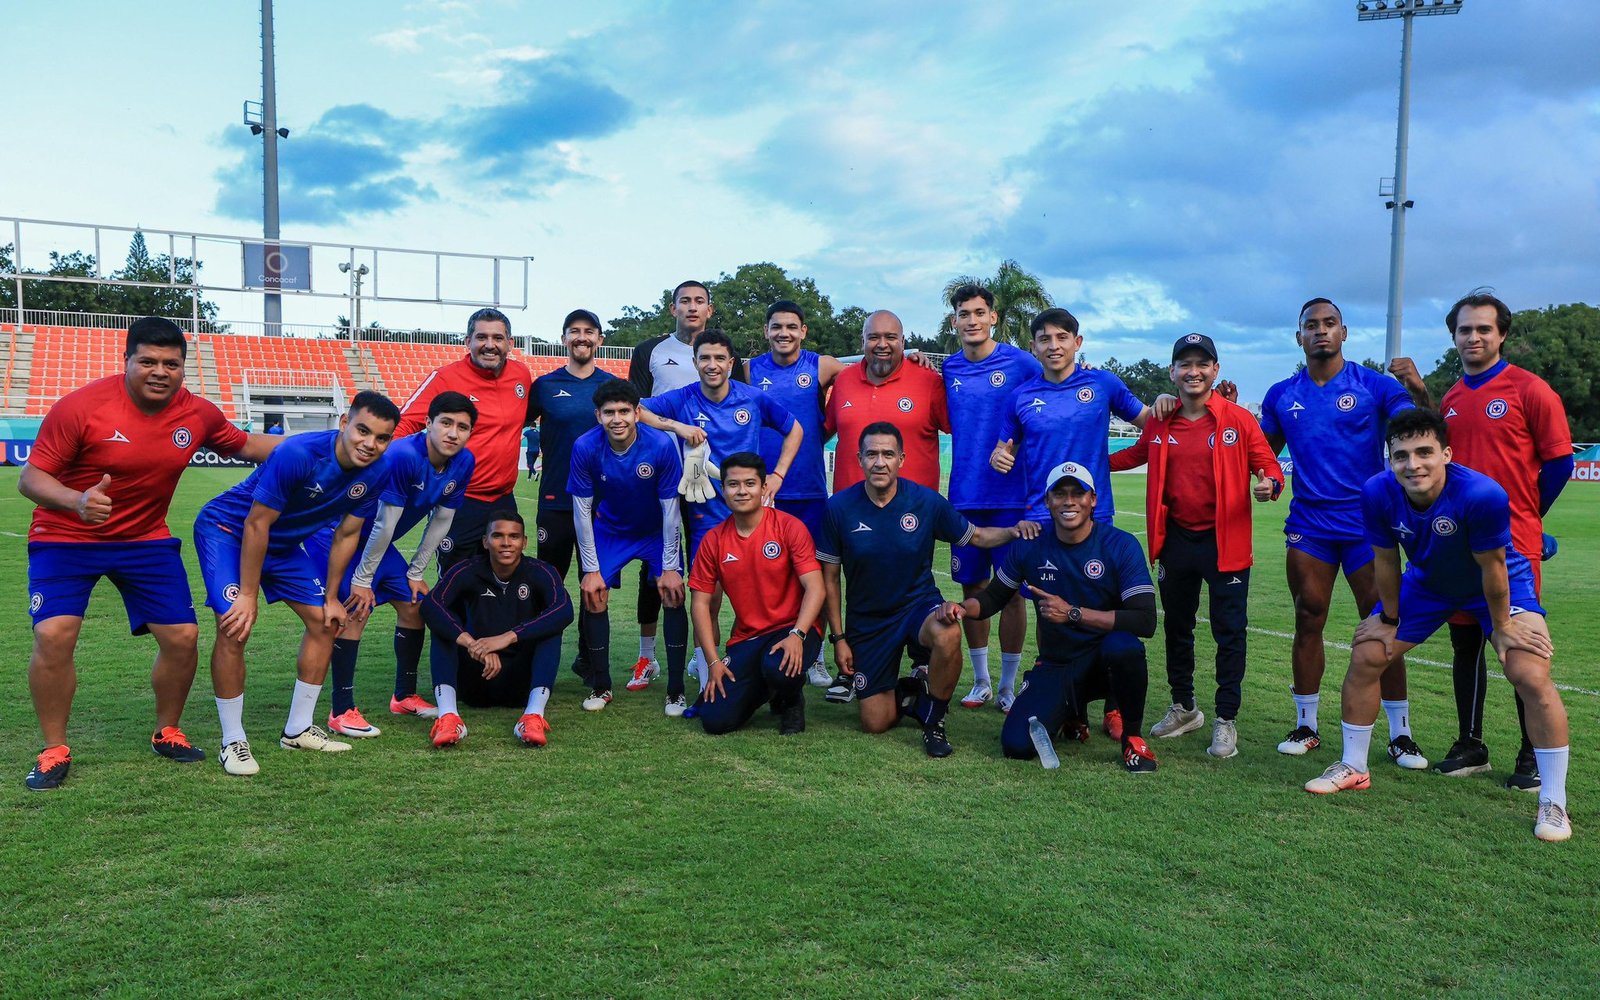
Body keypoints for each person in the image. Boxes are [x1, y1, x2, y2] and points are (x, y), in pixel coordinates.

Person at [19, 317, 282, 790]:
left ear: (183, 368)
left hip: (144, 539)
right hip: (66, 536)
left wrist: (332, 445)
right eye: (148, 361)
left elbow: (247, 445)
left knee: (183, 637)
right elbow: (31, 479)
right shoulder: (81, 407)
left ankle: (168, 730)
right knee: (55, 634)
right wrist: (76, 501)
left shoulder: (197, 413)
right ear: (127, 361)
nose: (159, 371)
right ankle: (54, 747)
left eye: (171, 364)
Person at [1304, 408, 1572, 842]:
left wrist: (1503, 626)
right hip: (1429, 585)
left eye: (1425, 452)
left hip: (1499, 586)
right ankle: (1354, 767)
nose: (1413, 464)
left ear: (1446, 453)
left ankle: (1553, 801)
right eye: (1401, 455)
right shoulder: (1376, 492)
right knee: (1369, 653)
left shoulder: (1481, 494)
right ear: (1389, 459)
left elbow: (1494, 569)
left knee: (1529, 672)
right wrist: (1389, 619)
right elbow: (1387, 560)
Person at [1392, 292, 1573, 789]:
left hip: (1510, 548)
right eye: (1465, 330)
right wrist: (1419, 391)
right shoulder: (1451, 397)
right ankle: (1471, 743)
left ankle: (1531, 752)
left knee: (1519, 649)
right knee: (1465, 640)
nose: (1474, 338)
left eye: (1483, 330)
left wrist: (1530, 519)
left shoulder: (1529, 390)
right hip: (1458, 547)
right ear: (1454, 337)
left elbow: (1559, 462)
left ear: (1502, 335)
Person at [1259, 298, 1428, 767]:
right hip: (1309, 526)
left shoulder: (1373, 385)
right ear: (1299, 337)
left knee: (1382, 623)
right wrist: (1269, 478)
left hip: (1365, 526)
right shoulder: (1281, 394)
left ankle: (1401, 734)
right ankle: (1307, 725)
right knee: (1308, 616)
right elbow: (1263, 453)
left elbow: (1420, 428)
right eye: (1310, 326)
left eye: (1328, 324)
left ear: (1344, 332)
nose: (1320, 332)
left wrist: (1417, 388)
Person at [194, 391, 400, 775]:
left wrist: (335, 595)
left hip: (282, 542)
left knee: (326, 621)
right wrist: (249, 596)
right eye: (363, 431)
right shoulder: (298, 454)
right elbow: (256, 524)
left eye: (382, 437)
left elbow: (346, 535)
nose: (370, 444)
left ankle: (298, 729)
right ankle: (232, 739)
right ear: (344, 423)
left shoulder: (378, 470)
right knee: (235, 626)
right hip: (229, 531)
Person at [816, 422, 1036, 758]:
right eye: (871, 454)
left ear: (901, 459)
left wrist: (1013, 531)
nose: (879, 462)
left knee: (947, 631)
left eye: (888, 454)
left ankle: (934, 720)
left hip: (917, 608)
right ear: (859, 458)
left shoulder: (924, 502)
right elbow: (829, 579)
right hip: (869, 621)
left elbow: (976, 536)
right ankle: (913, 689)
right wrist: (839, 638)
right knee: (875, 722)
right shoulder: (838, 508)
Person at [1110, 334, 1282, 759]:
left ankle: (1225, 720)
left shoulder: (1238, 419)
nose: (1193, 371)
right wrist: (1075, 454)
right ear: (1173, 372)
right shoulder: (1160, 420)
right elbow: (1132, 455)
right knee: (1177, 627)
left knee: (1229, 632)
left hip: (1225, 543)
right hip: (1176, 541)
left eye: (1202, 364)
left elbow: (1269, 464)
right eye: (1184, 364)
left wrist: (1270, 484)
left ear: (1215, 371)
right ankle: (1185, 708)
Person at [988, 306, 1163, 725]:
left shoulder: (1102, 383)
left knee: (1102, 601)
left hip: (1094, 513)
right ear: (1034, 347)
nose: (1054, 345)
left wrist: (1166, 405)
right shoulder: (1021, 396)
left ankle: (1115, 705)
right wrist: (1000, 455)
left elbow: (1150, 425)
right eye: (1045, 339)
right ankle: (1071, 700)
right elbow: (1005, 448)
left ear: (1077, 343)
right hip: (1040, 517)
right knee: (1048, 608)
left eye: (1062, 337)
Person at [956, 462, 1159, 773]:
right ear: (1047, 501)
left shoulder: (1121, 545)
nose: (1069, 501)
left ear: (1093, 499)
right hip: (1058, 664)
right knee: (1016, 745)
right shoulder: (1031, 547)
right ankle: (1070, 712)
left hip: (1105, 663)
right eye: (1060, 493)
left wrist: (1073, 613)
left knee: (1125, 647)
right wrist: (958, 608)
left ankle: (1133, 738)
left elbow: (1145, 621)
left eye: (1078, 493)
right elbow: (992, 599)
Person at [641, 329, 802, 701]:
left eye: (719, 359)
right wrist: (677, 426)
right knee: (707, 599)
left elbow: (795, 429)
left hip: (754, 515)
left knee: (766, 595)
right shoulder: (683, 398)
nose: (712, 365)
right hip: (706, 516)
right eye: (704, 358)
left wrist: (777, 475)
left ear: (731, 363)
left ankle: (773, 666)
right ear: (694, 362)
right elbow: (637, 409)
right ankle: (706, 672)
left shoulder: (753, 399)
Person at [304, 391, 477, 733]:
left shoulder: (464, 461)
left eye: (462, 427)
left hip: (376, 544)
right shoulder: (401, 456)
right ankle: (341, 711)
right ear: (428, 423)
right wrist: (363, 580)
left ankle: (404, 696)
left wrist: (416, 573)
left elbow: (442, 520)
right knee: (355, 610)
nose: (453, 433)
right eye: (445, 423)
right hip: (337, 536)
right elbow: (384, 522)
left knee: (415, 606)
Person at [627, 281, 746, 683]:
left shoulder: (728, 354)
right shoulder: (650, 352)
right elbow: (635, 409)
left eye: (699, 301)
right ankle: (647, 655)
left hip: (705, 477)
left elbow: (737, 402)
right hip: (659, 471)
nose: (692, 307)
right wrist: (677, 427)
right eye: (685, 301)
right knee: (655, 564)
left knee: (704, 567)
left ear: (709, 309)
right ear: (672, 307)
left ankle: (702, 656)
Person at [940, 284, 1043, 712]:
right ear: (954, 322)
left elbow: (1044, 407)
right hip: (965, 496)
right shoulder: (947, 368)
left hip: (1012, 498)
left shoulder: (1021, 363)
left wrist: (1013, 447)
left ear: (993, 317)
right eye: (964, 314)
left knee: (1014, 591)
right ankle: (981, 681)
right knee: (972, 586)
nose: (971, 320)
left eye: (979, 312)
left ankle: (1007, 684)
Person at [568, 380, 688, 714]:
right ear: (598, 416)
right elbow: (581, 510)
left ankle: (676, 690)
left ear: (637, 413)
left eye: (624, 411)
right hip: (611, 530)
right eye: (609, 412)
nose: (617, 419)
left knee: (673, 592)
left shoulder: (661, 445)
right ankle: (601, 685)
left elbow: (670, 511)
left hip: (656, 531)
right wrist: (591, 569)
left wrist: (668, 566)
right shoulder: (585, 446)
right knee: (593, 595)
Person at [689, 452, 824, 736]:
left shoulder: (789, 527)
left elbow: (816, 587)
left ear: (763, 488)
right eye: (733, 484)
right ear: (722, 489)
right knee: (715, 720)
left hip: (796, 628)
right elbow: (700, 604)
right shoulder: (713, 540)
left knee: (777, 666)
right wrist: (713, 662)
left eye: (750, 483)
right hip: (749, 637)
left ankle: (790, 700)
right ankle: (768, 688)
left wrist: (798, 635)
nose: (741, 491)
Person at [420, 512, 574, 748]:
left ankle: (533, 716)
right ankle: (449, 717)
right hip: (474, 678)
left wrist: (507, 638)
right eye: (498, 536)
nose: (506, 543)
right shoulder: (467, 571)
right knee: (444, 630)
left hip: (521, 681)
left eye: (513, 537)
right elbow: (431, 605)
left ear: (524, 542)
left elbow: (564, 610)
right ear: (485, 541)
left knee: (551, 629)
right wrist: (473, 644)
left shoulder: (541, 572)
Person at [526, 309, 619, 684]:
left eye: (589, 332)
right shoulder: (545, 386)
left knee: (596, 586)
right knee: (549, 583)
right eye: (574, 332)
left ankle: (591, 663)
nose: (581, 338)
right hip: (556, 502)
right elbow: (509, 426)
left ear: (599, 339)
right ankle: (542, 660)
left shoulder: (612, 385)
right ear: (564, 338)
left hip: (602, 506)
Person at [824, 310, 949, 494]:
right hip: (850, 513)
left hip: (914, 514)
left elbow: (965, 433)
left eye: (890, 337)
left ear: (903, 342)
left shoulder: (928, 381)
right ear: (863, 342)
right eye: (874, 337)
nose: (882, 344)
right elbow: (819, 434)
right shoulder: (844, 380)